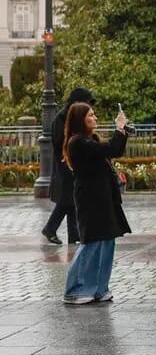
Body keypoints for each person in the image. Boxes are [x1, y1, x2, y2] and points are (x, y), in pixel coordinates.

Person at [61, 101, 132, 305]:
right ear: (80, 119)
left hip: (104, 198)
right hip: (90, 200)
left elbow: (114, 150)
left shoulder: (89, 140)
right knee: (92, 242)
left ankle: (99, 288)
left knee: (107, 241)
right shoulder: (77, 142)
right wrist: (119, 128)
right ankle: (75, 289)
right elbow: (111, 148)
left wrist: (122, 131)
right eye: (91, 115)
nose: (95, 117)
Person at [43, 88, 95, 245]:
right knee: (66, 200)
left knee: (72, 199)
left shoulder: (70, 116)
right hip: (64, 163)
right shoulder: (62, 117)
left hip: (71, 162)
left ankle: (74, 234)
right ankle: (50, 228)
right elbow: (60, 141)